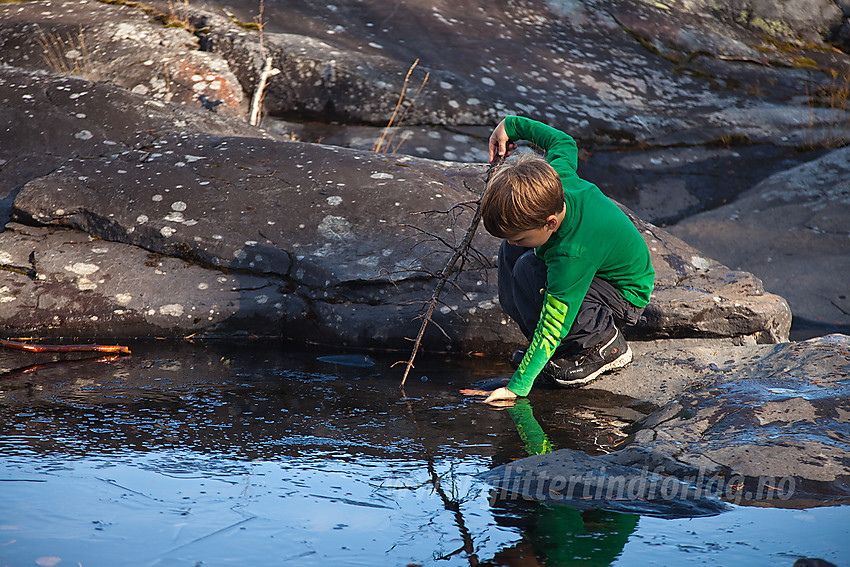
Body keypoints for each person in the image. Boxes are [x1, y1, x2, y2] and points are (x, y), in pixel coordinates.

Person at [461, 116, 655, 404]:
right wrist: (510, 126)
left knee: (528, 268)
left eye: (521, 236)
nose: (514, 240)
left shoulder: (572, 252)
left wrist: (518, 386)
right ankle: (552, 353)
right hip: (593, 274)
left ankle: (602, 345)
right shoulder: (555, 178)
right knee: (512, 254)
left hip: (623, 295)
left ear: (550, 223)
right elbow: (562, 141)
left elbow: (555, 321)